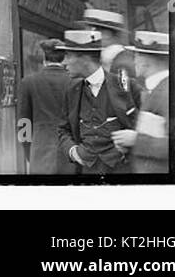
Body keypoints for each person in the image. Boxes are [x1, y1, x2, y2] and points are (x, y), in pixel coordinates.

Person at [56, 28, 138, 177]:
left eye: (68, 56)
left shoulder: (126, 86)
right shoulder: (72, 90)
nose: (64, 62)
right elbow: (63, 130)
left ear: (85, 59)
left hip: (122, 170)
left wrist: (132, 141)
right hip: (86, 170)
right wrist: (73, 152)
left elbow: (144, 128)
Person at [111, 31, 169, 174]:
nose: (134, 61)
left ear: (146, 60)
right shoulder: (155, 88)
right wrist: (129, 144)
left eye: (136, 56)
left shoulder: (166, 92)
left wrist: (135, 141)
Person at [16, 38, 73, 174]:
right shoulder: (76, 82)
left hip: (39, 154)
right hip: (70, 155)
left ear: (44, 58)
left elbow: (23, 123)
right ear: (64, 58)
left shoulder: (28, 82)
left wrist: (29, 152)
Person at [74, 8, 142, 104]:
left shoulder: (123, 64)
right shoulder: (108, 59)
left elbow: (125, 102)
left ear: (106, 34)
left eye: (89, 32)